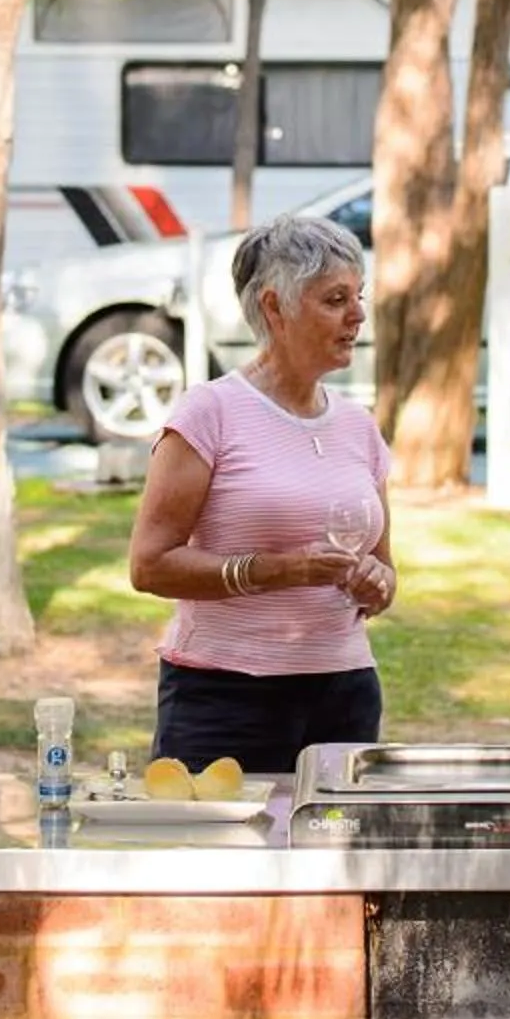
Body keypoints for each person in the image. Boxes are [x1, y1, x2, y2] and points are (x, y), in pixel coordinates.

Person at [127, 213, 398, 774]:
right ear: (275, 308)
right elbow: (149, 566)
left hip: (344, 692)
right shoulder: (210, 412)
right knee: (221, 861)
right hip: (224, 698)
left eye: (359, 296)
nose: (357, 315)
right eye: (335, 299)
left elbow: (382, 572)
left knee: (331, 861)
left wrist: (377, 583)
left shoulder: (358, 426)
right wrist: (275, 570)